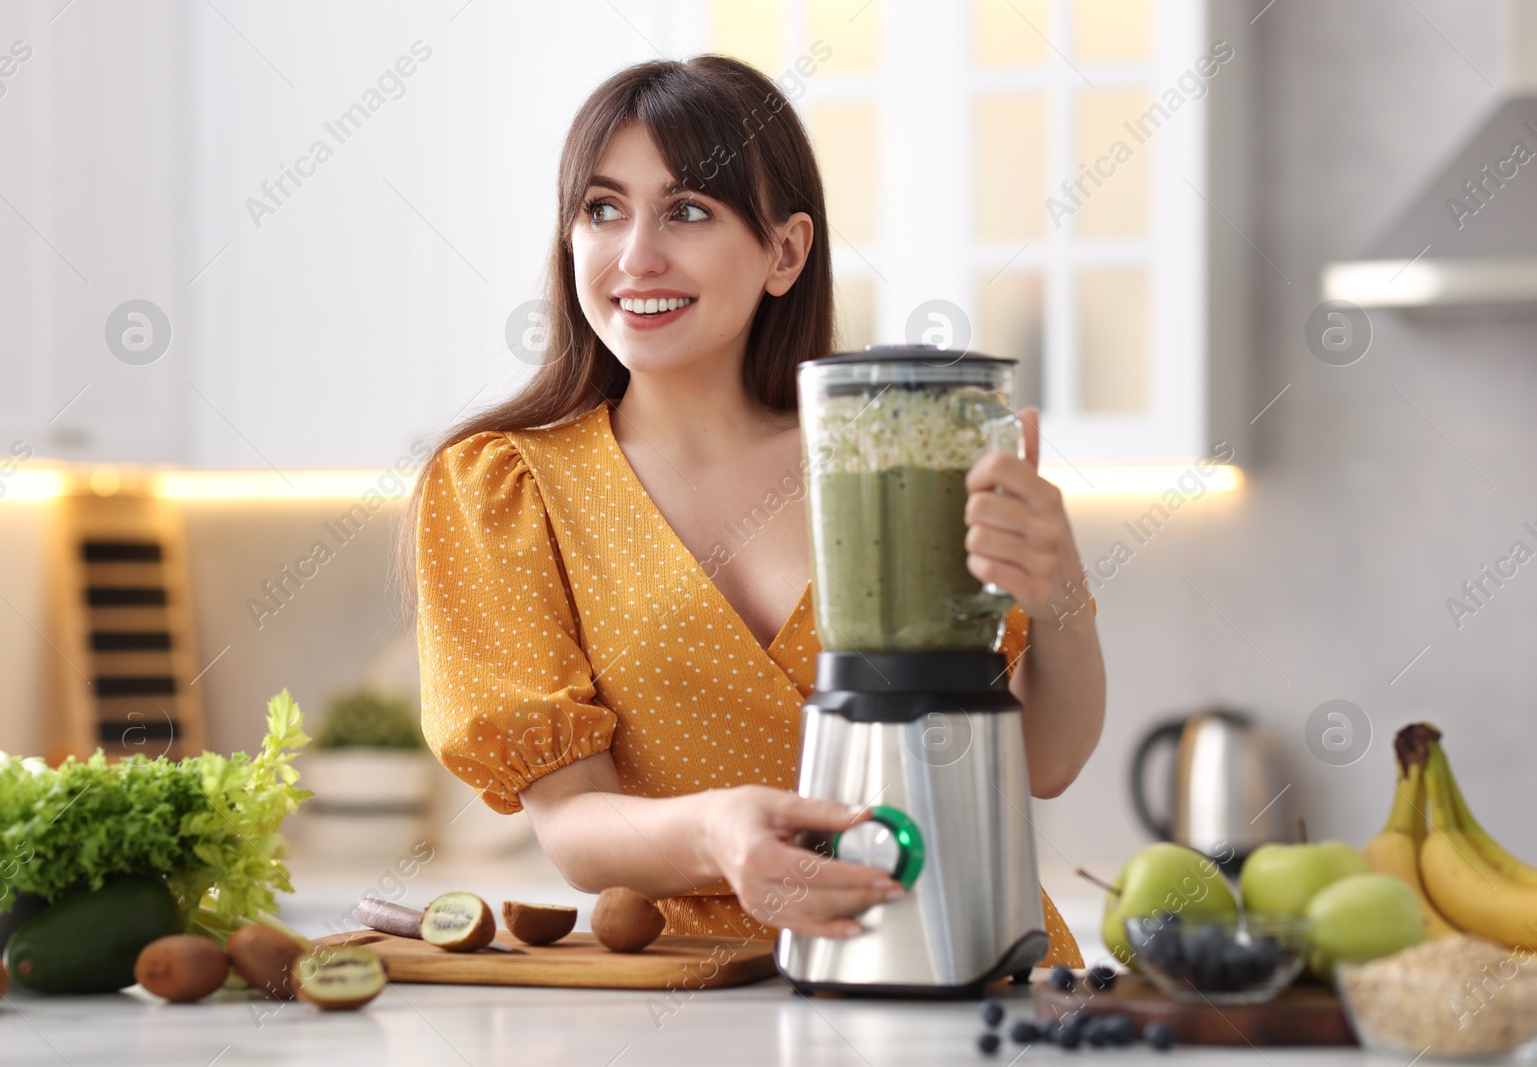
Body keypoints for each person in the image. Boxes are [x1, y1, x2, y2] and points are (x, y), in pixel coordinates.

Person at [403, 55, 1104, 965]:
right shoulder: (504, 487)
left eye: (688, 211)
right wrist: (718, 833)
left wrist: (1063, 591)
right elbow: (573, 824)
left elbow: (1041, 762)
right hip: (706, 1000)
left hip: (964, 957)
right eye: (602, 208)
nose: (636, 255)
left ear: (785, 252)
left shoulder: (896, 452)